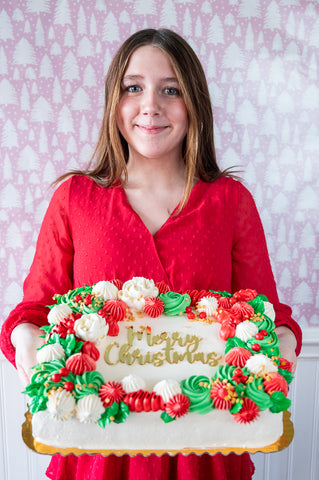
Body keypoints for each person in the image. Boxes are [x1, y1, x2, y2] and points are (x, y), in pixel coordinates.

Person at [0, 28, 302, 480]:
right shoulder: (75, 200)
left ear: (193, 102)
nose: (150, 106)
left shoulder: (230, 202)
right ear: (113, 102)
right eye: (133, 88)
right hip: (95, 453)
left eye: (171, 90)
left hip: (208, 454)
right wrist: (32, 355)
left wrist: (277, 354)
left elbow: (268, 316)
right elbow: (34, 310)